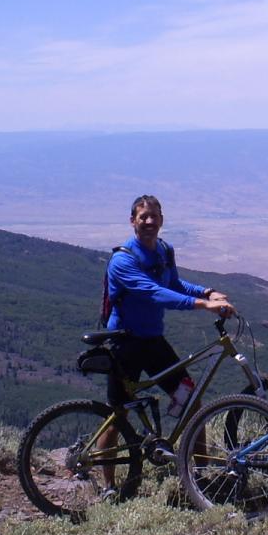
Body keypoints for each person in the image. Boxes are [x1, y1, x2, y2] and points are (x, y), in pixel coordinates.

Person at [99, 194, 233, 491]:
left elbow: (172, 284)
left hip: (153, 341)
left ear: (162, 219)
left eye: (154, 216)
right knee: (117, 414)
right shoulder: (122, 260)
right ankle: (108, 485)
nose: (149, 222)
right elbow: (153, 292)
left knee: (191, 400)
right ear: (132, 221)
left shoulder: (163, 250)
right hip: (125, 344)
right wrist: (201, 305)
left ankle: (201, 478)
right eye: (142, 216)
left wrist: (206, 291)